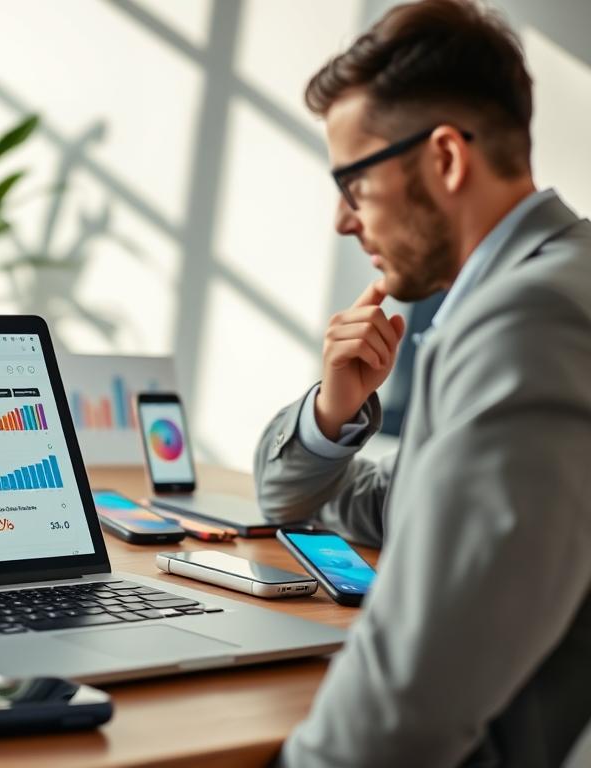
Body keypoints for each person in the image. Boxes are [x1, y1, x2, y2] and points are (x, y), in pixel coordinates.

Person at [252, 1, 591, 765]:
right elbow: (360, 504)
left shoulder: (529, 322)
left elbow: (415, 696)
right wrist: (333, 413)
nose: (343, 221)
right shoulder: (553, 284)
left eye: (355, 185)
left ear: (444, 160)